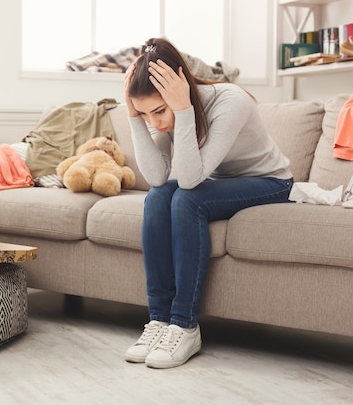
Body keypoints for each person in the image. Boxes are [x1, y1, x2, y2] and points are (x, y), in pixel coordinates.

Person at [123, 38, 293, 369]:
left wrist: (183, 110)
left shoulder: (231, 100)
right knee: (158, 197)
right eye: (145, 115)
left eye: (159, 111)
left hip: (271, 182)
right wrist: (133, 117)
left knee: (186, 201)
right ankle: (159, 320)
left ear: (180, 88)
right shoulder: (164, 116)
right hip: (219, 183)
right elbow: (157, 177)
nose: (156, 123)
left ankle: (185, 325)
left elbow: (188, 181)